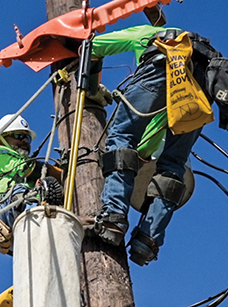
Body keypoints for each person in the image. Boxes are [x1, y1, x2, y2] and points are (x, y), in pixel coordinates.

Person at [88, 23, 211, 265]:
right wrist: (144, 154)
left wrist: (91, 90)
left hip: (162, 64)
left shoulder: (145, 33)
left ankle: (113, 216)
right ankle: (148, 241)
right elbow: (160, 123)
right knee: (173, 164)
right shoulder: (196, 46)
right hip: (202, 84)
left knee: (121, 136)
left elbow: (92, 48)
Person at [0, 113, 63, 254]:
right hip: (5, 212)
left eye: (27, 138)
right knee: (25, 191)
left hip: (21, 220)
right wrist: (64, 174)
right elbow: (28, 169)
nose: (25, 141)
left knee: (51, 192)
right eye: (18, 136)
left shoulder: (25, 169)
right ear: (1, 139)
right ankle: (37, 212)